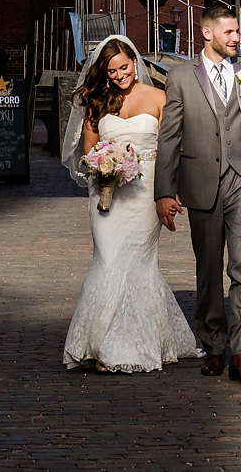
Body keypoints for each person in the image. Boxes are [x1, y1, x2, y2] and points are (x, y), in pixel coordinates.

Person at [155, 3, 241, 383]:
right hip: (200, 181)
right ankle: (214, 343)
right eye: (228, 32)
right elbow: (170, 137)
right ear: (207, 33)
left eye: (237, 32)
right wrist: (164, 190)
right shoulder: (180, 78)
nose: (236, 38)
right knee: (208, 266)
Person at [61, 34, 198, 372]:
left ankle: (126, 346)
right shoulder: (98, 100)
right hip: (107, 192)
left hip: (145, 191)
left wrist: (172, 189)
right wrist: (105, 164)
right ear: (103, 73)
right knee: (107, 261)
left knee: (137, 263)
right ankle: (102, 341)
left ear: (135, 62)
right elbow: (89, 151)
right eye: (111, 71)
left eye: (124, 67)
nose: (119, 75)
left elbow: (173, 148)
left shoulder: (159, 97)